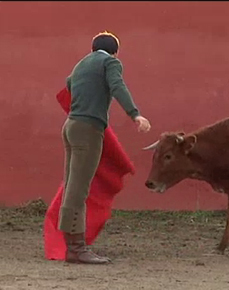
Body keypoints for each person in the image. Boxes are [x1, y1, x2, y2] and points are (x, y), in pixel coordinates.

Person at [59, 31, 151, 264]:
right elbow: (117, 86)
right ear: (115, 51)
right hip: (88, 128)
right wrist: (135, 114)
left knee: (71, 184)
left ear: (92, 49)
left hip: (71, 125)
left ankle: (71, 243)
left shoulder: (81, 64)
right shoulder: (110, 62)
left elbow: (69, 84)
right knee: (78, 190)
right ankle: (77, 249)